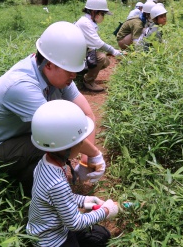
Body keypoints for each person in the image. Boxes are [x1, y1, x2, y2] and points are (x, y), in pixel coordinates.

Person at [0, 21, 106, 195]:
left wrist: (86, 160)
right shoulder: (21, 85)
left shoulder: (59, 74)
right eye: (69, 70)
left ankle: (27, 183)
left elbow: (87, 115)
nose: (74, 76)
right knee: (54, 143)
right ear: (48, 65)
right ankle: (47, 198)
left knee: (55, 141)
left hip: (15, 138)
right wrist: (95, 153)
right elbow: (57, 131)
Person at [26, 100, 119, 247]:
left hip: (49, 227)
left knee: (101, 235)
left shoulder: (45, 163)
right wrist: (106, 211)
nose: (83, 145)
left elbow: (56, 199)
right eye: (81, 141)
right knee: (97, 238)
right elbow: (75, 223)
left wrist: (85, 200)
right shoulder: (57, 183)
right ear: (67, 146)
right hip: (53, 241)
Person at [75, 0, 123, 92]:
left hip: (81, 53)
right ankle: (88, 80)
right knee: (101, 58)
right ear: (94, 12)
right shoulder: (85, 23)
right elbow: (98, 43)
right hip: (74, 56)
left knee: (105, 62)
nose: (103, 17)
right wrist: (114, 51)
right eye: (102, 13)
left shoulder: (89, 22)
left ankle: (80, 75)